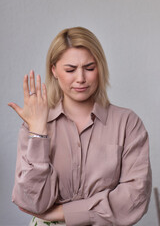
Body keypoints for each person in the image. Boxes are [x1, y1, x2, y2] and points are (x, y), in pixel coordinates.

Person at [9, 27, 152, 226]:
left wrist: (62, 212)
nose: (81, 78)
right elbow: (33, 202)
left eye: (90, 68)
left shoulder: (128, 123)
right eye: (70, 70)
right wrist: (38, 133)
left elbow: (134, 199)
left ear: (100, 67)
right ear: (54, 70)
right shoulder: (35, 125)